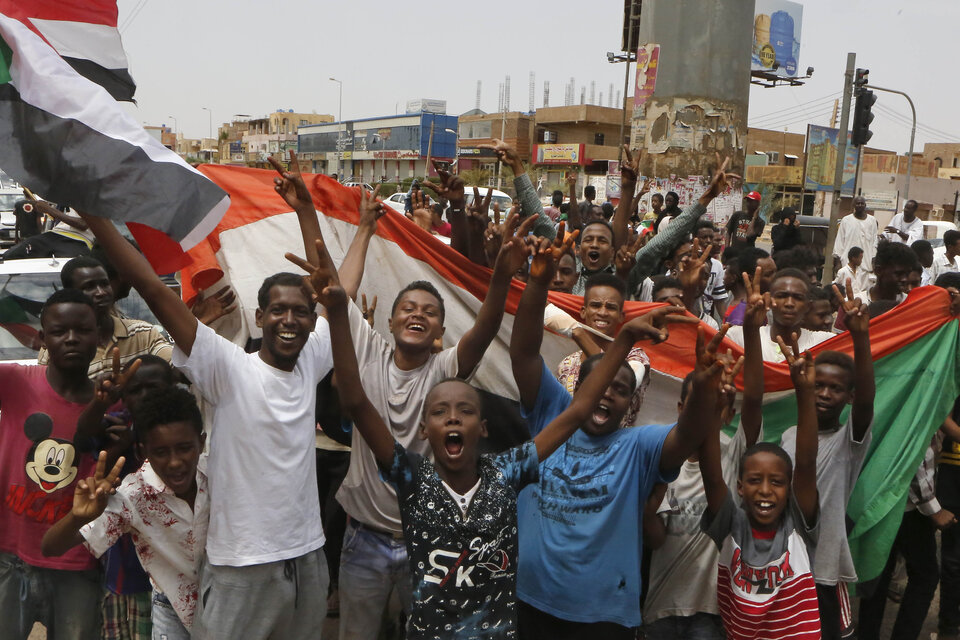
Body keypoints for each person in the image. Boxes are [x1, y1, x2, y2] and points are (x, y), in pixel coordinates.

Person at [308, 231, 683, 639]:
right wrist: (336, 309)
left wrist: (624, 338)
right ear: (423, 429)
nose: (453, 420)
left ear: (483, 428)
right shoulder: (412, 479)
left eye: (465, 411)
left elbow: (577, 410)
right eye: (439, 413)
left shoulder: (505, 473)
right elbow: (357, 399)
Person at [78, 152, 341, 640]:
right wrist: (94, 214)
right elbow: (154, 293)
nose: (290, 320)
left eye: (299, 312)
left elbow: (332, 290)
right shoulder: (229, 369)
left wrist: (307, 213)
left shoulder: (312, 357)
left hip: (306, 557)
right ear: (258, 318)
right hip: (241, 564)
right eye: (277, 311)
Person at [325, 172, 535, 640]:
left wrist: (501, 276)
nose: (417, 313)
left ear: (439, 331)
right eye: (408, 307)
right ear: (389, 319)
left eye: (430, 311)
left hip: (432, 544)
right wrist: (364, 229)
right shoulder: (367, 349)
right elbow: (340, 293)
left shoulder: (443, 376)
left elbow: (483, 332)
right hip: (363, 539)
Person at [510, 231, 730, 637]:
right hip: (530, 602)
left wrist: (701, 385)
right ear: (579, 389)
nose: (609, 393)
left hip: (604, 617)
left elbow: (689, 433)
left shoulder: (638, 447)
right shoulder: (552, 416)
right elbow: (523, 353)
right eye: (602, 383)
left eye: (621, 389)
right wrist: (538, 282)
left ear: (632, 403)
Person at [643, 270, 763, 640]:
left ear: (728, 414)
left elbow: (755, 398)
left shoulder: (732, 451)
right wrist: (646, 510)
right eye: (698, 403)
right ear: (680, 408)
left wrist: (755, 331)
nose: (709, 411)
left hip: (714, 610)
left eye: (719, 404)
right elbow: (656, 540)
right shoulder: (661, 459)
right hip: (661, 604)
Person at [42, 387, 209, 640]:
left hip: (229, 602)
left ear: (202, 442)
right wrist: (78, 516)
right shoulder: (133, 495)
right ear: (143, 452)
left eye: (184, 448)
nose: (175, 462)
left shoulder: (221, 474)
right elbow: (50, 547)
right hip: (173, 609)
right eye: (161, 452)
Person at [700, 331, 822, 640]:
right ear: (739, 487)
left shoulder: (798, 524)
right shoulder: (731, 523)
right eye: (754, 481)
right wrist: (712, 408)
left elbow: (806, 464)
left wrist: (805, 393)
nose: (766, 490)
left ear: (790, 487)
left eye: (777, 482)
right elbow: (712, 474)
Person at [0, 289, 101, 640]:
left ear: (100, 334)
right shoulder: (15, 380)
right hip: (10, 555)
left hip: (77, 562)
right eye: (59, 331)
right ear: (43, 338)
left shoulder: (111, 402)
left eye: (82, 330)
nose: (71, 339)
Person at [780, 282, 875, 639]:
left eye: (835, 388)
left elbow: (867, 401)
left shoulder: (848, 441)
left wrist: (860, 337)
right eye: (817, 385)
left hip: (823, 571)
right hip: (786, 568)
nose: (823, 393)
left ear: (848, 397)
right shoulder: (789, 436)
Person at [858, 433, 955, 640]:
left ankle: (868, 633)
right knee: (925, 576)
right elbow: (914, 455)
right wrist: (932, 509)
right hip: (907, 507)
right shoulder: (920, 402)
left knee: (879, 572)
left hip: (881, 499)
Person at [37, 255, 172, 379]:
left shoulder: (144, 333)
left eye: (104, 284)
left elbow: (178, 367)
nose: (101, 292)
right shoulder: (56, 348)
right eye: (89, 287)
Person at [556, 273, 650, 427]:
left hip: (619, 449)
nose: (602, 312)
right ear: (583, 312)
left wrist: (578, 334)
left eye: (611, 307)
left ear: (621, 317)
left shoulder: (636, 358)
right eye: (595, 305)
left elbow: (624, 381)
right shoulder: (566, 365)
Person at [725, 268, 835, 362]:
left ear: (808, 306)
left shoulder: (826, 343)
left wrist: (853, 332)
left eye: (798, 298)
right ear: (769, 300)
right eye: (782, 296)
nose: (789, 303)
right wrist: (752, 330)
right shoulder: (737, 337)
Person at [723, 248, 776, 326]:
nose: (776, 277)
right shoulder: (740, 320)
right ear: (751, 279)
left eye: (776, 271)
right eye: (768, 275)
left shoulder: (762, 306)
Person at [857, 241, 920, 305]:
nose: (905, 279)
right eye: (898, 274)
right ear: (878, 271)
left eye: (907, 274)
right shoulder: (857, 304)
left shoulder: (910, 305)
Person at [694, 220, 728, 321]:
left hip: (705, 319)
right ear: (695, 239)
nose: (708, 241)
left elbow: (719, 300)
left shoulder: (717, 265)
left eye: (711, 237)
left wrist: (727, 324)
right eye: (704, 237)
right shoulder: (685, 261)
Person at [835, 196, 880, 271]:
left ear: (865, 205)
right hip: (848, 265)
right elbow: (839, 242)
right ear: (853, 205)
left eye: (862, 203)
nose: (860, 205)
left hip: (866, 265)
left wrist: (873, 262)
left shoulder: (872, 221)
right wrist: (838, 263)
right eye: (858, 203)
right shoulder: (846, 220)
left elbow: (874, 243)